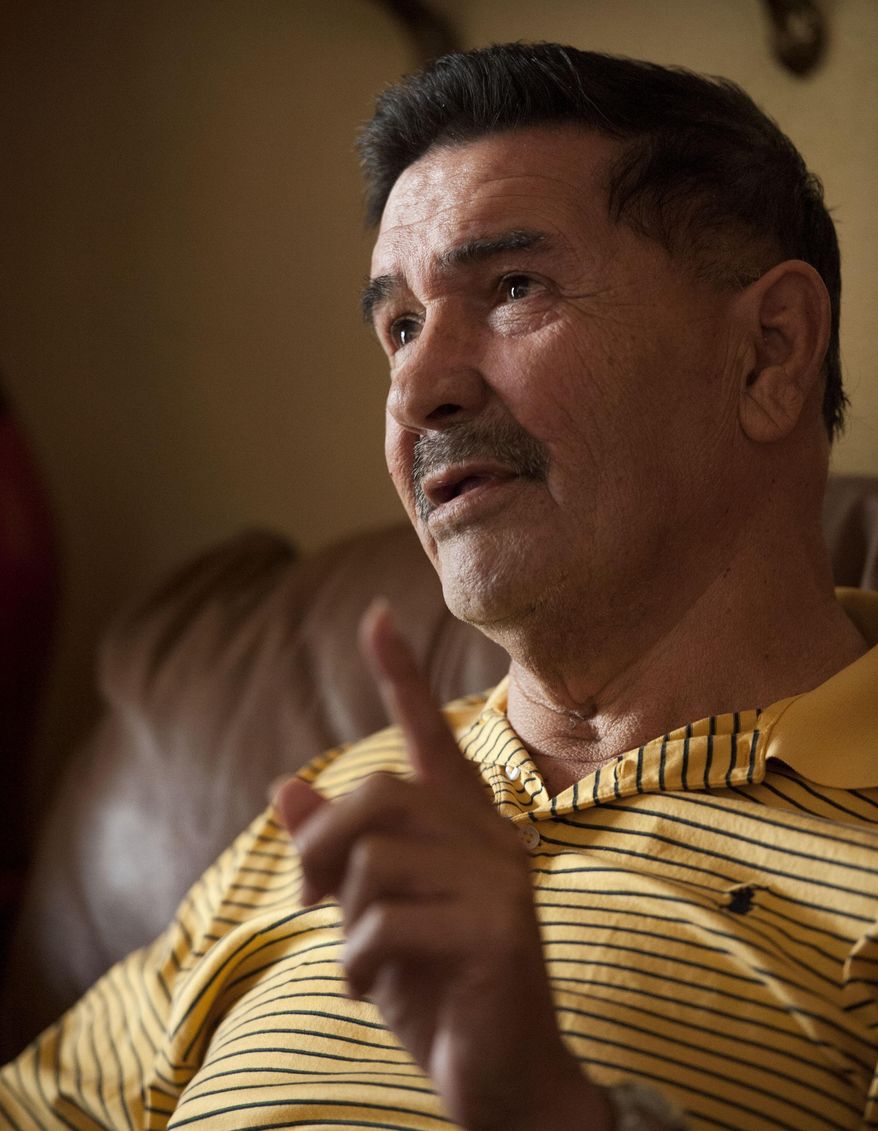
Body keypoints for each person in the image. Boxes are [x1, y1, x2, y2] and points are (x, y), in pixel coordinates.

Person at [2, 42, 877, 1131]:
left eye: (512, 288)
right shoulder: (327, 811)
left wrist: (540, 1107)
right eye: (399, 327)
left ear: (768, 355)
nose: (416, 388)